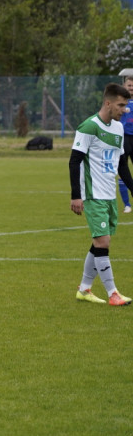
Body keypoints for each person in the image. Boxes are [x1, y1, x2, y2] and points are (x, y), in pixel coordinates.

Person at [71, 82, 133, 306]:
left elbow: (122, 165)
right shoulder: (89, 127)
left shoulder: (117, 128)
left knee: (99, 243)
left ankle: (85, 289)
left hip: (109, 194)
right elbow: (74, 161)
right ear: (108, 103)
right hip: (93, 194)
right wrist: (76, 195)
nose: (124, 109)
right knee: (103, 242)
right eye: (121, 105)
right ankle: (112, 293)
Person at [117, 69, 133, 213]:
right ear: (124, 86)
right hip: (124, 138)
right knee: (122, 169)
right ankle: (127, 204)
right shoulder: (120, 101)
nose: (131, 88)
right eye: (129, 85)